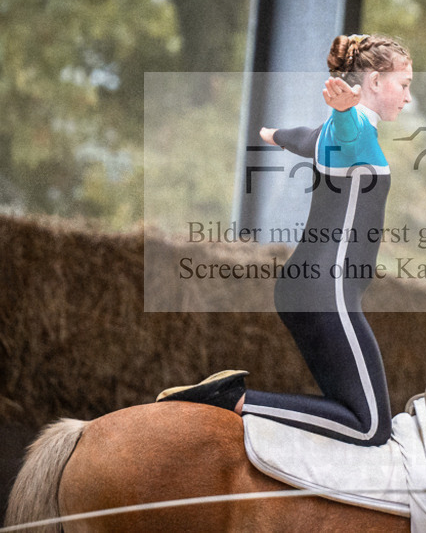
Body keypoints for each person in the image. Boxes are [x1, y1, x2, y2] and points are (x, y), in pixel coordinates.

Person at [159, 33, 412, 447]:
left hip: (303, 288)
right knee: (369, 427)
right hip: (326, 291)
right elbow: (348, 131)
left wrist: (273, 134)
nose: (407, 97)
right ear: (375, 81)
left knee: (348, 410)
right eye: (404, 85)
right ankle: (234, 399)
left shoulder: (330, 132)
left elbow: (303, 138)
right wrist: (346, 109)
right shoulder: (353, 130)